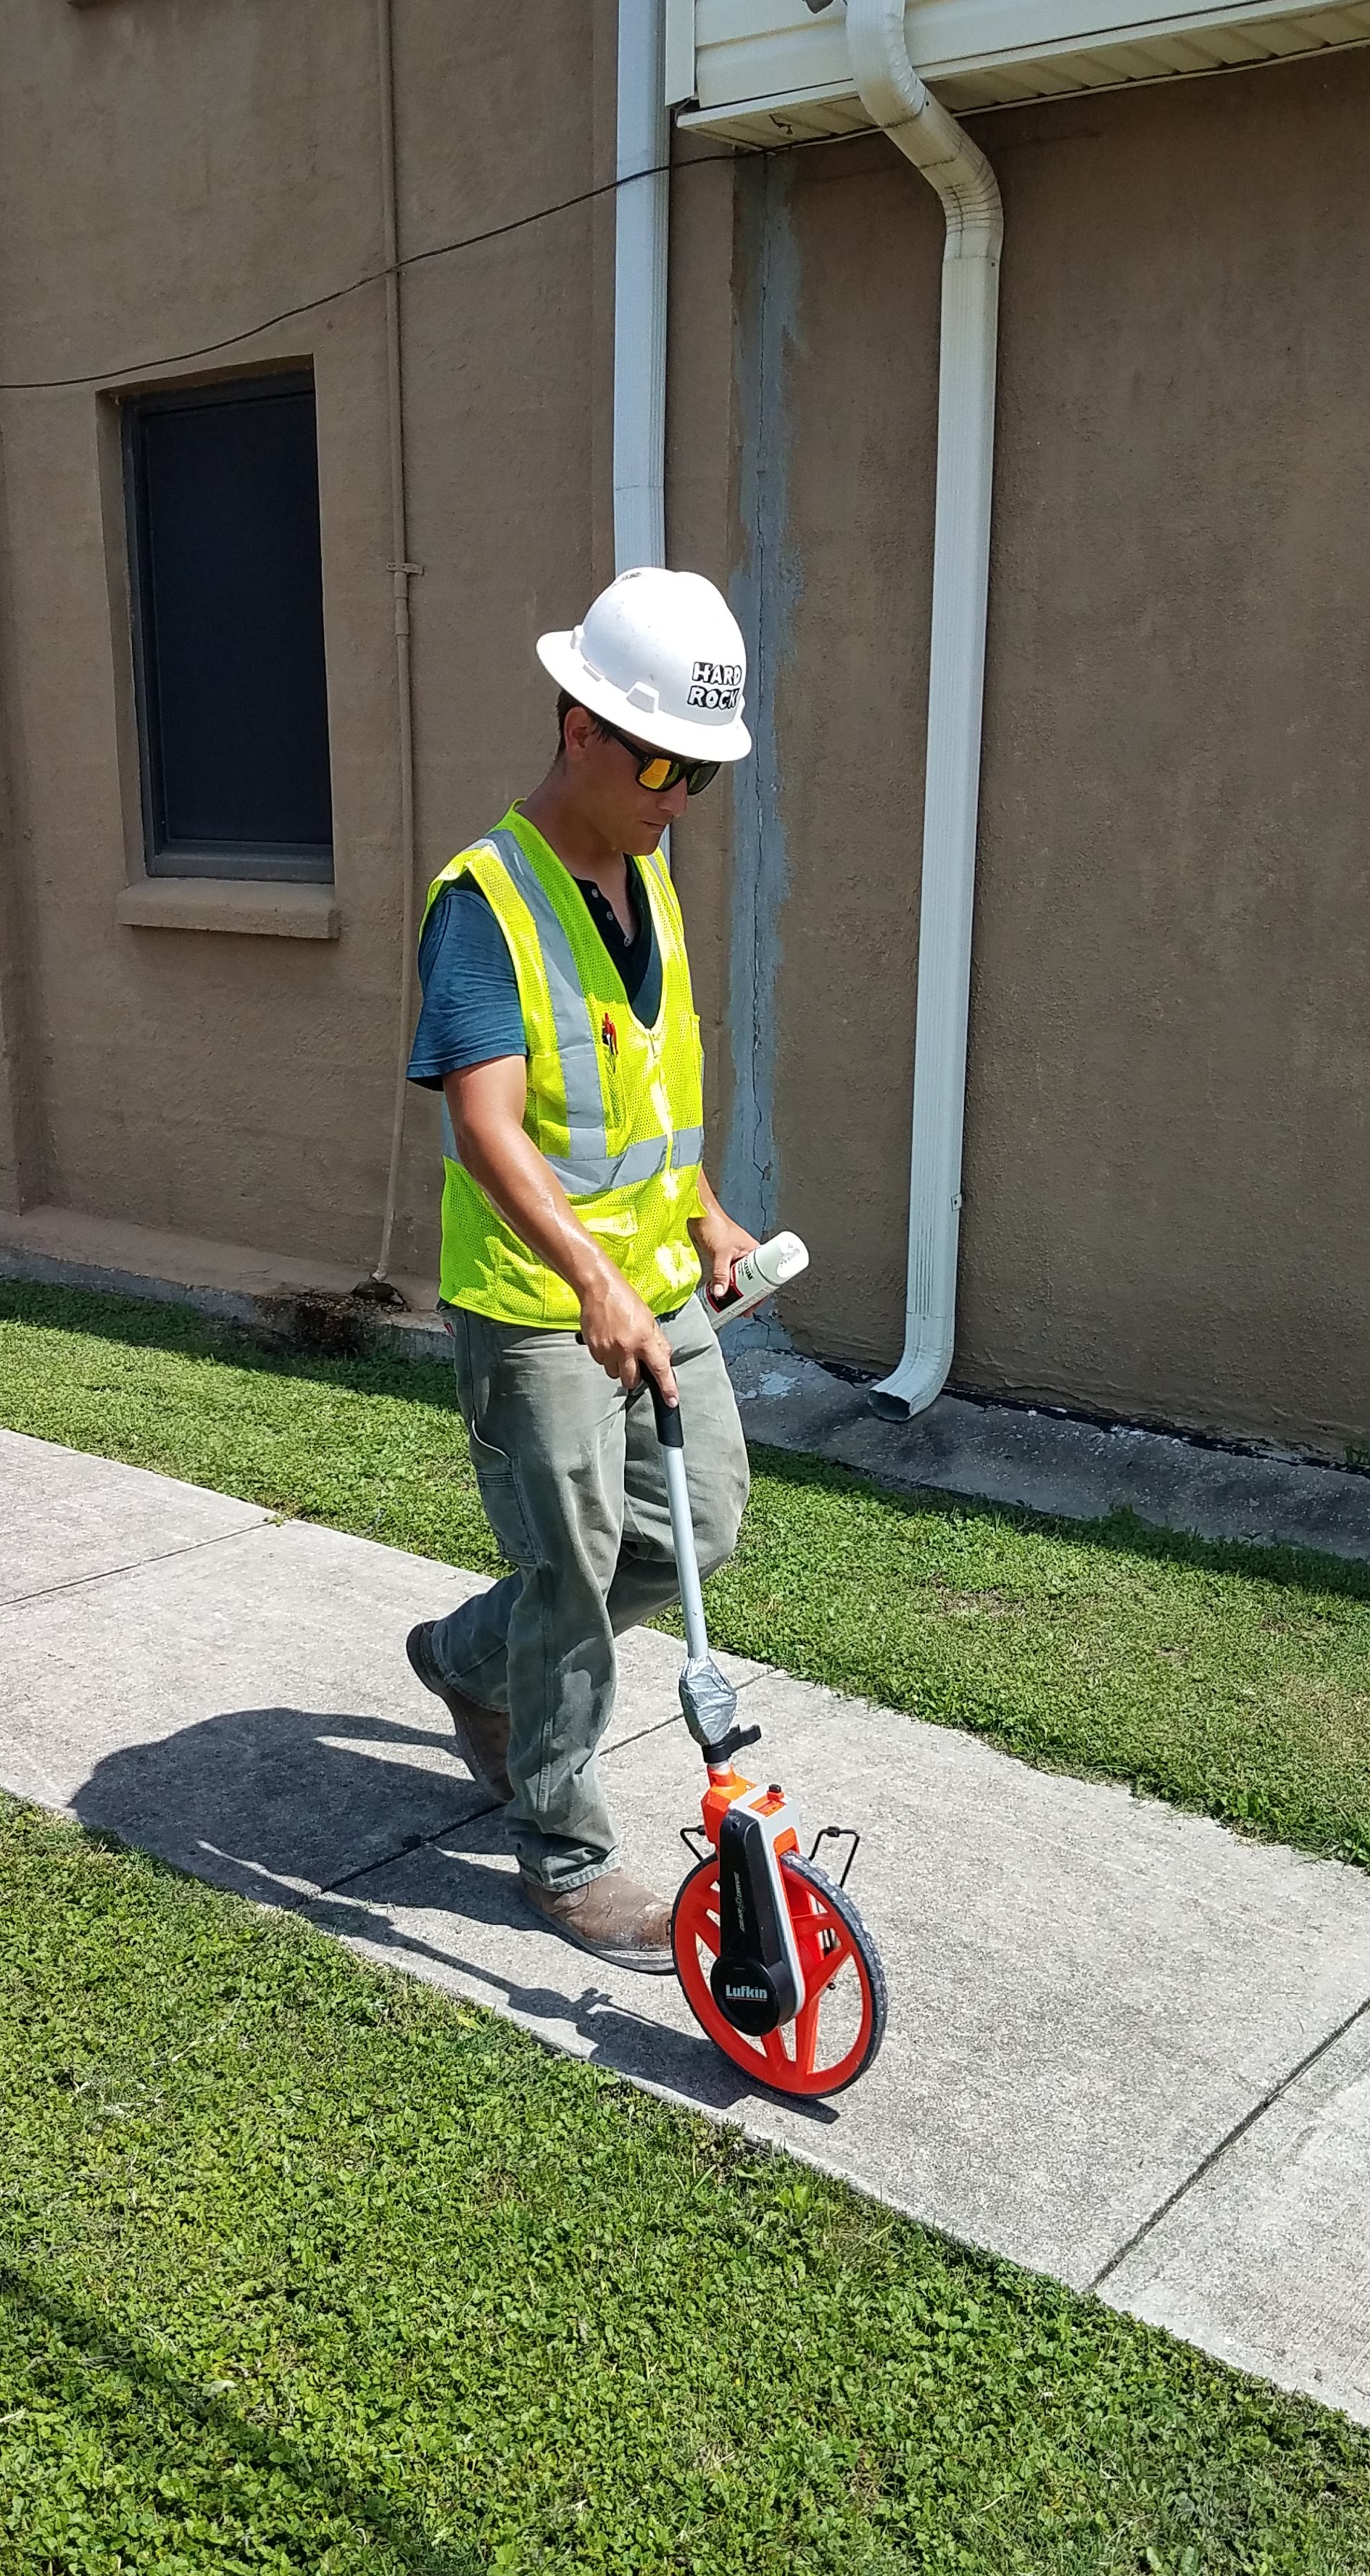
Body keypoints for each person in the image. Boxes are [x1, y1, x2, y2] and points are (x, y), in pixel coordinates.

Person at [404, 566, 762, 1958]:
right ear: (579, 728)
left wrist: (707, 1213)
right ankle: (560, 1850)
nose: (681, 796)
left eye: (705, 774)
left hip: (657, 1283)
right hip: (536, 1304)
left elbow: (644, 1090)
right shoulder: (484, 901)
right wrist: (593, 1281)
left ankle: (465, 1658)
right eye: (664, 762)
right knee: (574, 1568)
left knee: (704, 1523)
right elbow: (488, 1126)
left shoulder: (651, 869)